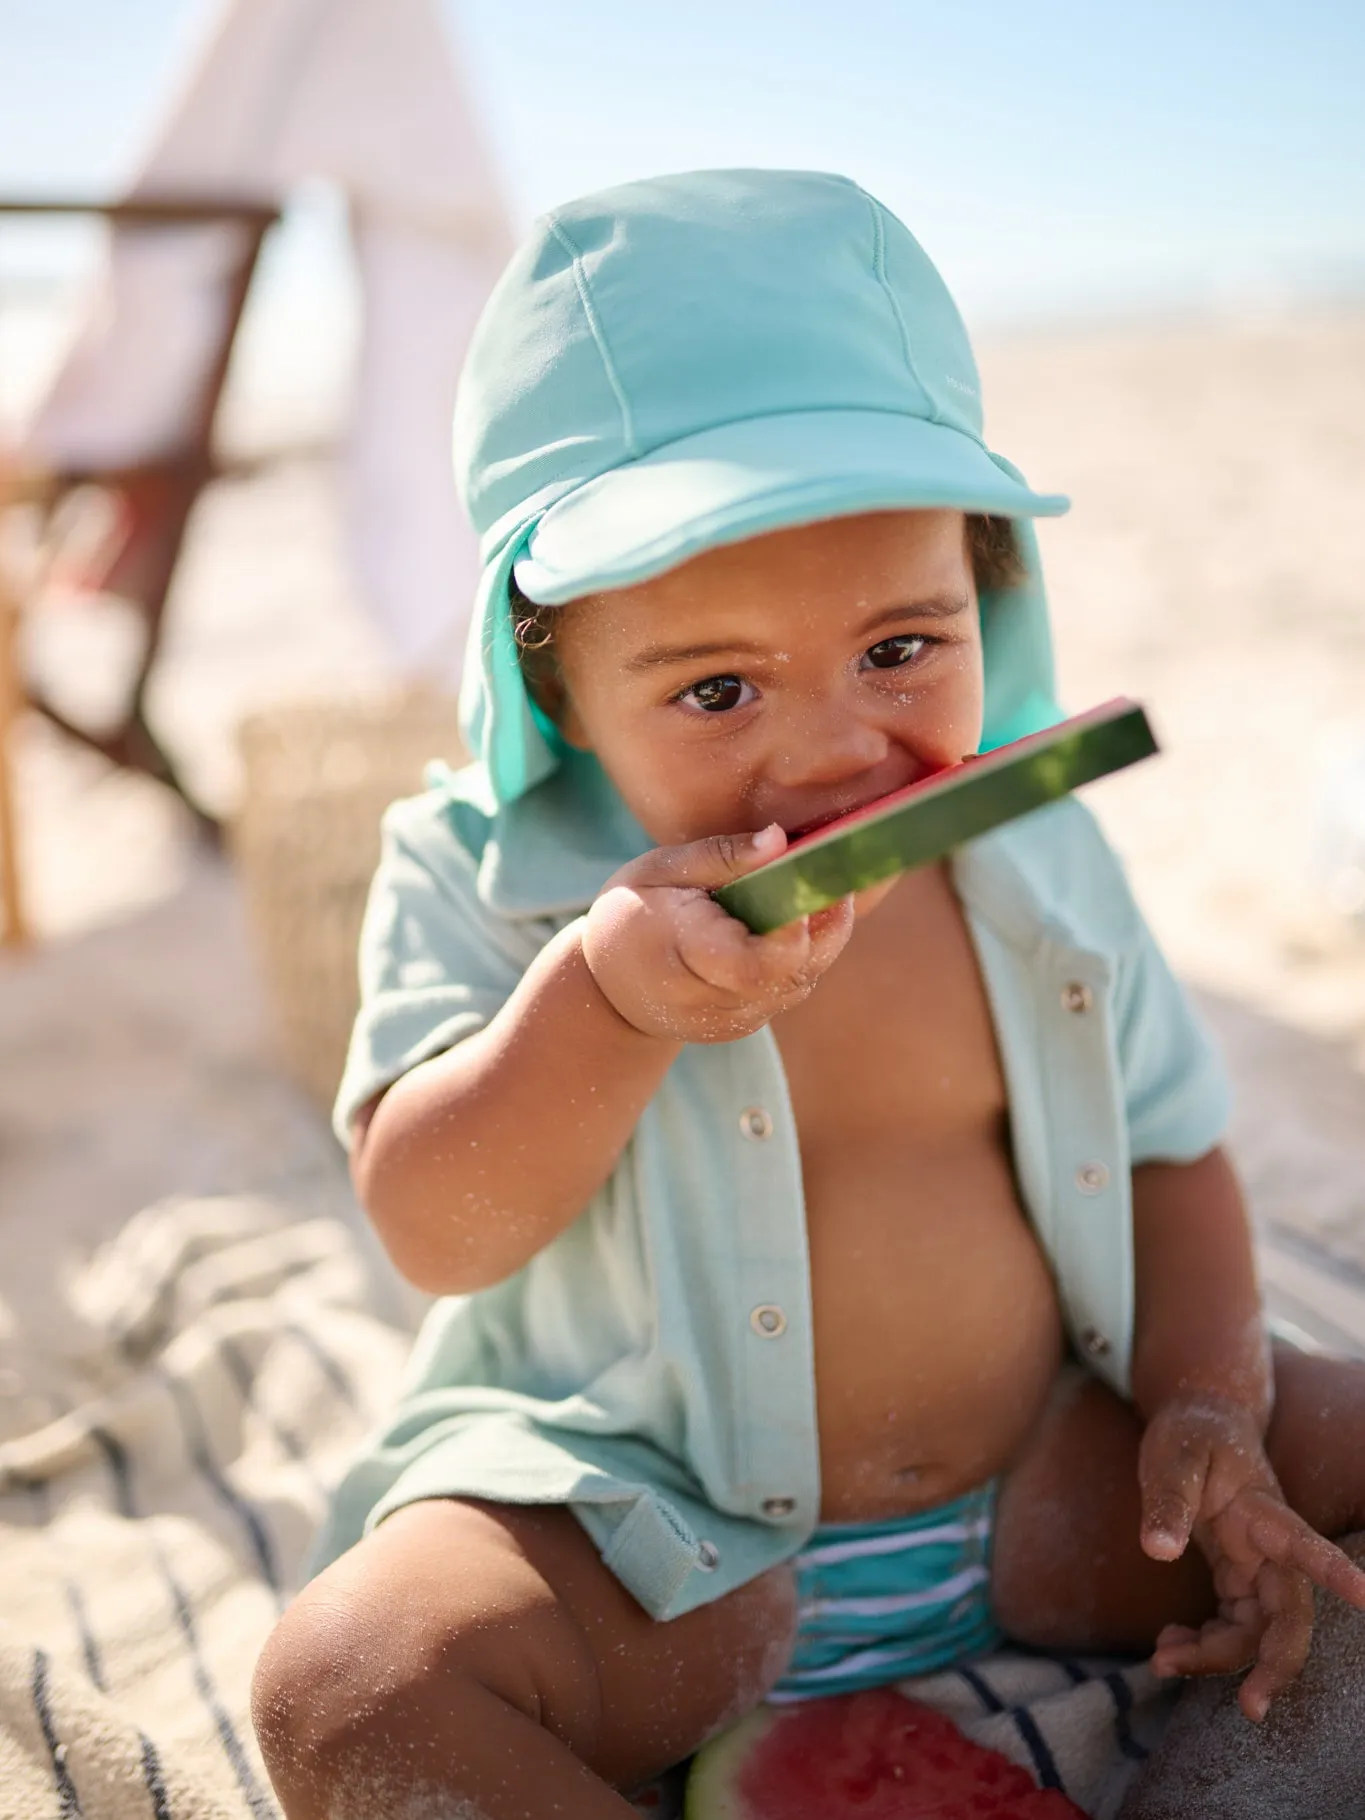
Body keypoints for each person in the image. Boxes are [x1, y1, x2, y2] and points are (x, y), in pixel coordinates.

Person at [251, 169, 1365, 1819]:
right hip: (652, 1547)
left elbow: (1167, 1152)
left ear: (986, 584)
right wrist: (600, 1014)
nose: (837, 747)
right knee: (351, 1691)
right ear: (550, 671)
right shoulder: (475, 875)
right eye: (717, 687)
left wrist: (1208, 1412)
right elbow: (436, 1227)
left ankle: (1258, 1743)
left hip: (1059, 1488)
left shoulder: (1040, 849)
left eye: (901, 649)